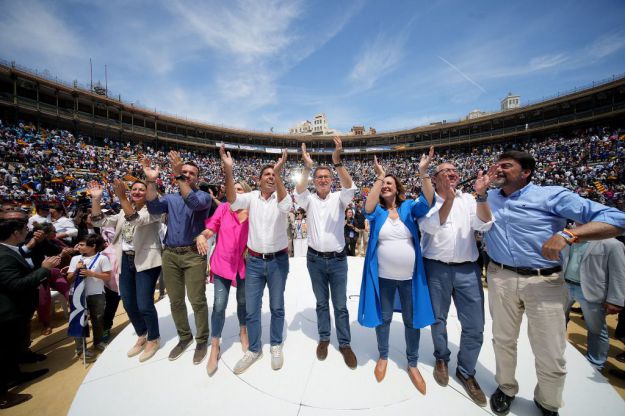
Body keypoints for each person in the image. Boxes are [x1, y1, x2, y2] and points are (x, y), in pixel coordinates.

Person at [483, 150, 625, 416]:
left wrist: (569, 233)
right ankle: (505, 387)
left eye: (506, 165)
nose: (498, 169)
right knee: (503, 340)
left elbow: (617, 220)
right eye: (497, 165)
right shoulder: (488, 197)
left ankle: (548, 402)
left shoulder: (552, 195)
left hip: (544, 280)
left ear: (525, 172)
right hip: (500, 277)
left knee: (550, 349)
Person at [418, 162, 496, 406]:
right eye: (446, 172)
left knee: (474, 325)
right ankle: (441, 358)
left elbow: (484, 225)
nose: (453, 174)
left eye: (455, 171)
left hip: (467, 270)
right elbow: (431, 225)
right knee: (438, 319)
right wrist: (448, 200)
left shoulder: (470, 200)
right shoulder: (427, 201)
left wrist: (482, 195)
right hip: (436, 268)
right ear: (436, 177)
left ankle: (466, 370)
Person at [358, 148, 435, 394]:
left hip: (410, 278)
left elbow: (430, 200)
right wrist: (379, 176)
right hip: (384, 278)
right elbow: (367, 207)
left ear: (398, 188)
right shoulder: (378, 212)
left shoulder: (409, 208)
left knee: (412, 321)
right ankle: (383, 356)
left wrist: (423, 173)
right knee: (385, 318)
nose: (386, 186)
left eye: (390, 183)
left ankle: (412, 363)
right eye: (384, 184)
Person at [220, 145, 292, 374]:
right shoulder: (250, 197)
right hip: (254, 262)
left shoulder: (282, 197)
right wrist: (229, 171)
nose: (271, 177)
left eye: (275, 174)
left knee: (277, 306)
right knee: (251, 309)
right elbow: (232, 201)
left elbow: (286, 206)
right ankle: (254, 348)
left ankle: (276, 345)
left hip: (278, 261)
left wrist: (279, 175)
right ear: (259, 180)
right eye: (268, 175)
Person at [294, 137, 358, 369]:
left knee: (340, 305)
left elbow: (350, 187)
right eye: (318, 177)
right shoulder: (308, 200)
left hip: (338, 260)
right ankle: (323, 338)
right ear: (315, 180)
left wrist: (337, 162)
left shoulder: (340, 198)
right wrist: (307, 166)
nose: (322, 180)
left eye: (326, 177)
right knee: (322, 303)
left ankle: (345, 343)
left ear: (331, 181)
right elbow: (298, 189)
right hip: (316, 260)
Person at [144, 151, 212, 364]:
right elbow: (153, 206)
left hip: (193, 254)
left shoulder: (203, 196)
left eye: (191, 173)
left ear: (197, 178)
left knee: (197, 300)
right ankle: (184, 337)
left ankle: (201, 340)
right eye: (184, 172)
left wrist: (178, 176)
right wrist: (150, 180)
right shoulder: (171, 198)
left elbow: (192, 202)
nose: (188, 175)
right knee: (175, 301)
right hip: (171, 254)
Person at [90, 178, 164, 362]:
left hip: (146, 260)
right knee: (129, 302)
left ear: (148, 193)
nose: (137, 192)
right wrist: (96, 200)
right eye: (134, 189)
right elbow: (100, 221)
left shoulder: (155, 210)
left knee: (144, 303)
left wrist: (122, 197)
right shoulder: (123, 211)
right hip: (126, 260)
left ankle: (153, 338)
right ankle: (142, 333)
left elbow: (137, 220)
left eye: (142, 189)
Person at [0, 211, 60, 409]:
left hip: (17, 311)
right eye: (25, 229)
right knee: (5, 352)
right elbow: (16, 284)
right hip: (8, 313)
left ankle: (16, 374)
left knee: (14, 348)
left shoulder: (10, 248)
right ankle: (3, 396)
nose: (28, 231)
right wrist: (43, 269)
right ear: (16, 233)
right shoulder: (3, 256)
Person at [196, 180, 251, 376]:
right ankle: (215, 345)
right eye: (232, 189)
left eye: (239, 190)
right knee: (219, 305)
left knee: (243, 302)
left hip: (244, 265)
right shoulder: (224, 209)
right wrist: (202, 236)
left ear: (246, 194)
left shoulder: (252, 211)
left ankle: (243, 332)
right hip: (222, 263)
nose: (234, 192)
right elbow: (211, 227)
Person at [562, 225, 625, 370]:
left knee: (596, 329)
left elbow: (619, 274)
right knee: (558, 322)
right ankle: (561, 351)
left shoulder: (612, 244)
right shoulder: (567, 239)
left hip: (591, 292)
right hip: (565, 286)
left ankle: (595, 364)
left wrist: (615, 300)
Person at [67, 234, 112, 361]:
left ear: (92, 246)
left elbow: (108, 276)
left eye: (82, 245)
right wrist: (76, 270)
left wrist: (91, 274)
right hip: (78, 295)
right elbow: (68, 279)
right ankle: (81, 349)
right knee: (79, 320)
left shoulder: (102, 258)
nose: (78, 247)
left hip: (96, 293)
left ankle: (98, 342)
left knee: (98, 319)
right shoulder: (75, 259)